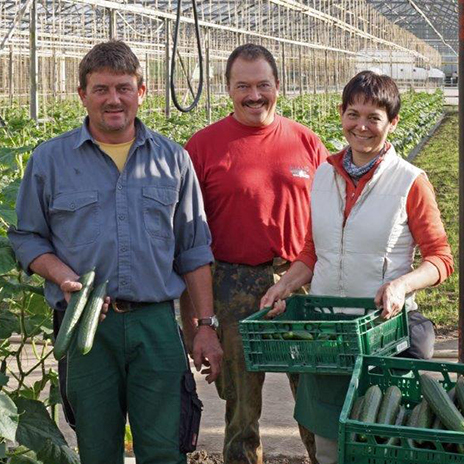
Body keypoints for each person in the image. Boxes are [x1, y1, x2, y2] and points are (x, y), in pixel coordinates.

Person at [8, 40, 222, 464]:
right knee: (97, 449)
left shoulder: (172, 160)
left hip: (156, 325)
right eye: (101, 89)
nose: (113, 99)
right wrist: (63, 277)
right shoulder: (49, 160)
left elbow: (194, 248)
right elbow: (28, 237)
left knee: (165, 449)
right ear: (82, 94)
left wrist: (206, 326)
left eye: (124, 88)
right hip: (86, 324)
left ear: (142, 92)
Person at [260, 70, 454, 464]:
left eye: (374, 118)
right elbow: (314, 253)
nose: (361, 126)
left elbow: (440, 259)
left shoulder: (409, 181)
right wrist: (285, 284)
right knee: (329, 443)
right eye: (353, 114)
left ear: (392, 123)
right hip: (329, 334)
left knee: (381, 442)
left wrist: (402, 284)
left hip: (382, 332)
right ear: (341, 114)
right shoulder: (323, 175)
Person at [181, 43, 329, 464]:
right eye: (242, 85)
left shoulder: (307, 142)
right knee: (240, 404)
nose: (254, 95)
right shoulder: (203, 148)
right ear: (228, 88)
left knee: (314, 393)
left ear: (277, 86)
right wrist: (195, 324)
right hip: (231, 283)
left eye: (262, 84)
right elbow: (187, 242)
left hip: (299, 282)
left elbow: (330, 221)